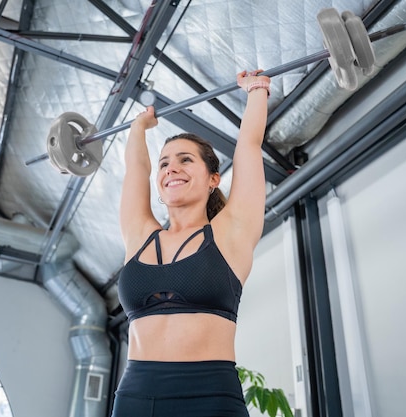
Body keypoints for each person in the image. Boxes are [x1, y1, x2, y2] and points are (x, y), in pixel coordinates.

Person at [113, 69, 271, 417]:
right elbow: (135, 170)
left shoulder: (231, 233)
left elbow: (249, 147)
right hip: (136, 398)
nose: (171, 169)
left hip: (210, 396)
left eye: (186, 160)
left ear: (213, 179)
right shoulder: (139, 234)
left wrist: (257, 90)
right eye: (165, 164)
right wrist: (138, 128)